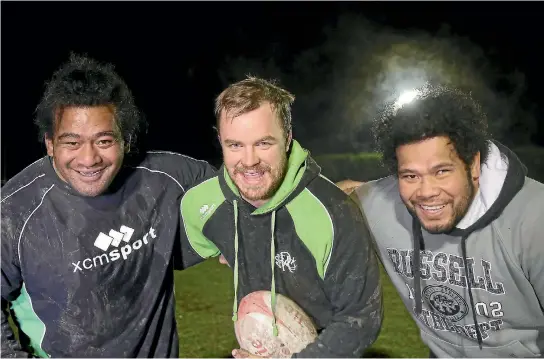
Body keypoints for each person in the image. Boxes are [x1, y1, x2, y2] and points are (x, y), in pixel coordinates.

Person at [1, 53, 216, 358]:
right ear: (50, 143)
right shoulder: (16, 210)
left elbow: (236, 195)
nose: (89, 159)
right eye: (72, 143)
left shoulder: (165, 179)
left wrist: (232, 239)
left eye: (104, 141)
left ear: (125, 140)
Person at [179, 76, 383, 358]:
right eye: (235, 145)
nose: (249, 161)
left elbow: (359, 320)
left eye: (263, 143)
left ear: (287, 138)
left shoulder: (332, 211)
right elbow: (158, 259)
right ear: (220, 140)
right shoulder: (203, 203)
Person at [337, 85, 544, 357]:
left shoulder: (533, 217)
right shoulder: (380, 206)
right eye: (410, 176)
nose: (426, 191)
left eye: (442, 171)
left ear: (472, 166)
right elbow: (336, 195)